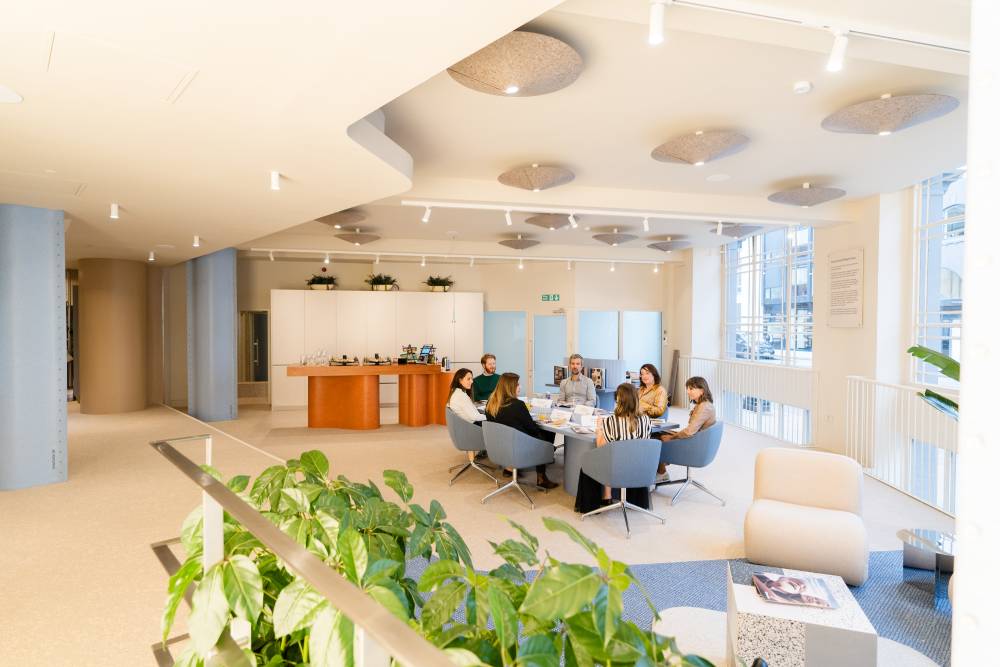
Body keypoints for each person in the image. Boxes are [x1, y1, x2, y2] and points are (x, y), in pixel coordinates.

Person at [575, 382, 653, 513]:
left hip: (616, 469)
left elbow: (601, 447)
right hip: (639, 466)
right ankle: (628, 498)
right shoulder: (646, 420)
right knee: (615, 458)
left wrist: (599, 427)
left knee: (589, 463)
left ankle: (600, 500)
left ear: (618, 400)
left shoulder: (610, 421)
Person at [484, 372, 558, 489]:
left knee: (539, 434)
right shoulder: (517, 405)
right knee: (546, 433)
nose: (520, 387)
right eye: (518, 384)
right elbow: (532, 429)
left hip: (499, 446)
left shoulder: (491, 403)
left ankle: (509, 468)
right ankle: (541, 477)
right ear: (510, 387)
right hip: (518, 447)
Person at [657, 376, 717, 478]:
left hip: (695, 445)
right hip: (696, 439)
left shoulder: (704, 407)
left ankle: (662, 473)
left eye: (691, 389)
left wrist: (672, 437)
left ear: (702, 390)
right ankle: (661, 468)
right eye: (687, 389)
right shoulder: (703, 404)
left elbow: (689, 432)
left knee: (657, 440)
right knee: (661, 433)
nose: (688, 392)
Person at [447, 368, 487, 462]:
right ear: (460, 380)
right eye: (468, 379)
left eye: (472, 379)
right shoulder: (461, 396)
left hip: (464, 428)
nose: (472, 381)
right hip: (471, 429)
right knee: (499, 423)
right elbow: (475, 417)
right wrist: (490, 416)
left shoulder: (456, 392)